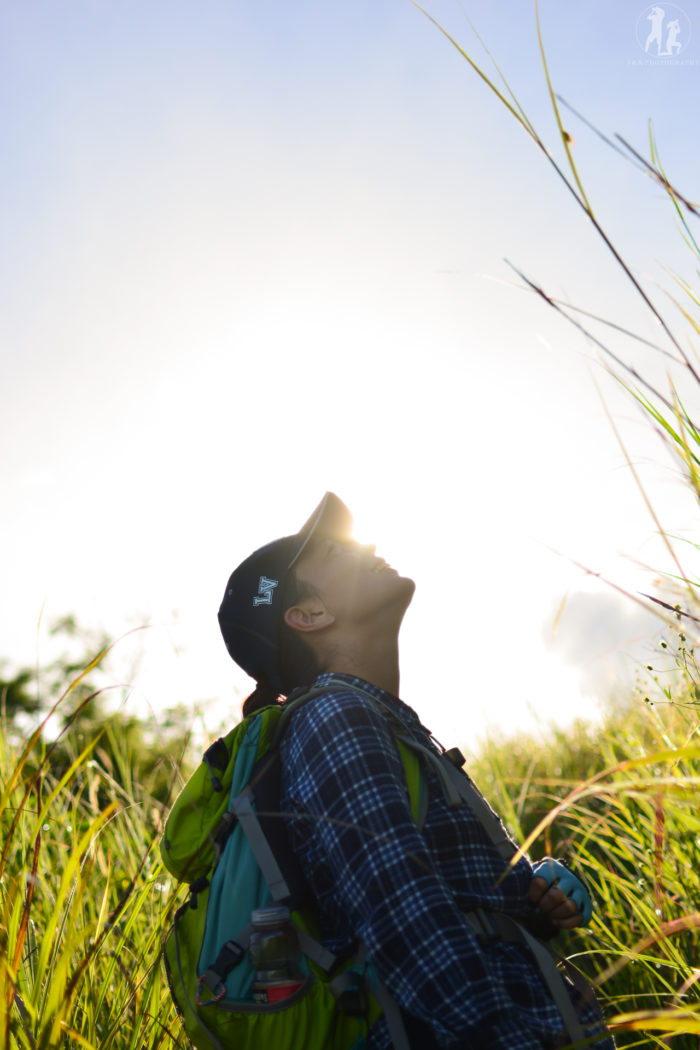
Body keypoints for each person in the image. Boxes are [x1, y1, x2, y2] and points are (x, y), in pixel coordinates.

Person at [217, 493, 615, 1050]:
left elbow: (439, 901)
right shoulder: (336, 718)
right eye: (336, 550)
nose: (370, 545)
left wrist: (532, 899)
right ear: (309, 616)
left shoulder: (383, 723)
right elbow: (403, 916)